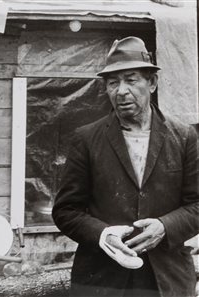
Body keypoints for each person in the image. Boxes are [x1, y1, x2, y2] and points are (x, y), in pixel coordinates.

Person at [52, 36, 198, 297]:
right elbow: (65, 211)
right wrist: (103, 234)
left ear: (151, 83)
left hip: (167, 281)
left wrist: (165, 227)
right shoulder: (86, 139)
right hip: (103, 280)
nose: (121, 91)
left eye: (131, 80)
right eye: (112, 83)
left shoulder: (184, 137)